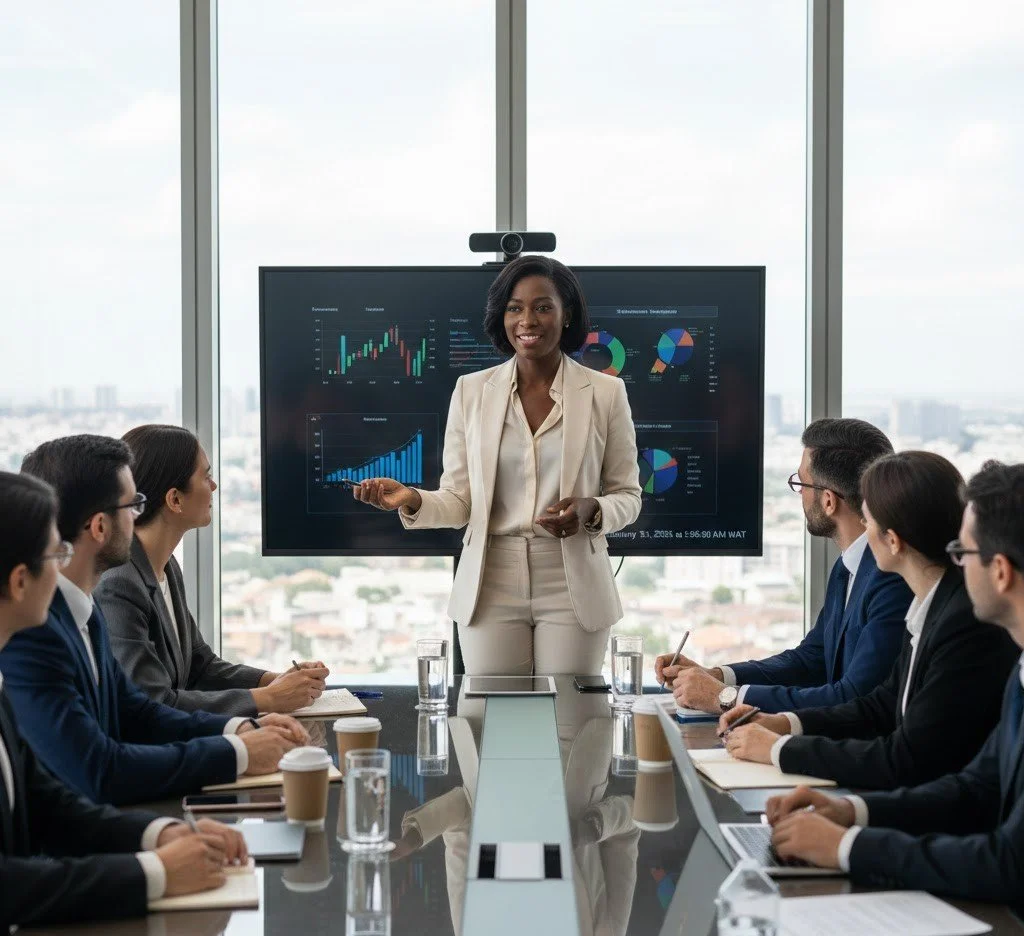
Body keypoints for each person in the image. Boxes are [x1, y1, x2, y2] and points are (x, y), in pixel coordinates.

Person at [350, 255, 642, 675]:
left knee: (572, 726)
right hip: (490, 578)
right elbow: (459, 501)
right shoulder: (471, 392)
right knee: (491, 721)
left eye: (543, 307)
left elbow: (628, 496)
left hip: (572, 577)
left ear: (567, 314)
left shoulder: (605, 393)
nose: (528, 320)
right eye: (514, 308)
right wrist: (412, 499)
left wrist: (592, 510)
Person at [765, 462, 1024, 913]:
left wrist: (849, 847)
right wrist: (850, 813)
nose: (956, 565)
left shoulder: (964, 626)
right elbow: (976, 786)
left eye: (963, 552)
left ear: (1000, 571)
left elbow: (1011, 863)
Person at [0, 435, 309, 807]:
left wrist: (240, 727)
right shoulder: (37, 634)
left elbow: (138, 711)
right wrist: (239, 750)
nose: (137, 517)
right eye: (133, 505)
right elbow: (99, 770)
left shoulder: (84, 609)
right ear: (99, 527)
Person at [0, 469, 250, 929]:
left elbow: (44, 802)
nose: (63, 568)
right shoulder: (35, 643)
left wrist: (164, 833)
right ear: (19, 581)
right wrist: (155, 871)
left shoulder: (75, 620)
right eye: (56, 554)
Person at [718, 451, 1018, 789]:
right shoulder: (928, 606)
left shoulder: (962, 624)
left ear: (892, 541)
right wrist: (786, 724)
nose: (863, 529)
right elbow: (881, 704)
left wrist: (781, 748)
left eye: (869, 520)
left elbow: (909, 759)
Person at [656, 417, 911, 714]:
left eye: (801, 484)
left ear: (828, 501)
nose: (800, 494)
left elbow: (854, 696)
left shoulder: (891, 578)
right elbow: (813, 658)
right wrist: (719, 677)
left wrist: (725, 697)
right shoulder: (849, 566)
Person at [95, 424, 329, 716]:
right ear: (175, 499)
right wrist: (267, 699)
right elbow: (153, 703)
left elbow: (199, 665)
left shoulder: (165, 565)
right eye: (206, 476)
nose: (214, 486)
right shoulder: (119, 584)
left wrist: (277, 681)